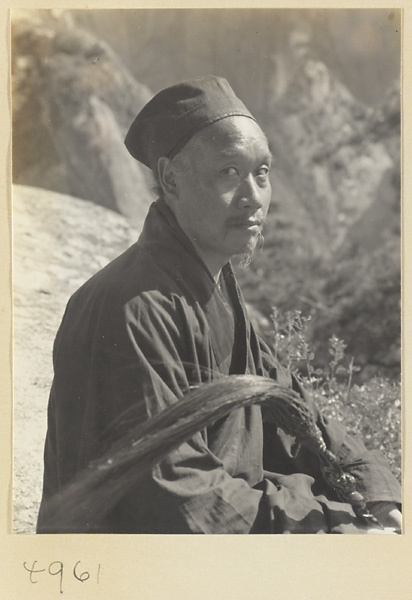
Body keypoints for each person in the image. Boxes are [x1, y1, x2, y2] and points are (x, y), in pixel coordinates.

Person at [37, 75, 401, 534]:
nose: (253, 197)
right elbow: (172, 492)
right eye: (229, 172)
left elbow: (290, 409)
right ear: (171, 179)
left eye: (262, 172)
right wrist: (331, 526)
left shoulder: (212, 284)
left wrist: (374, 490)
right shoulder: (132, 308)